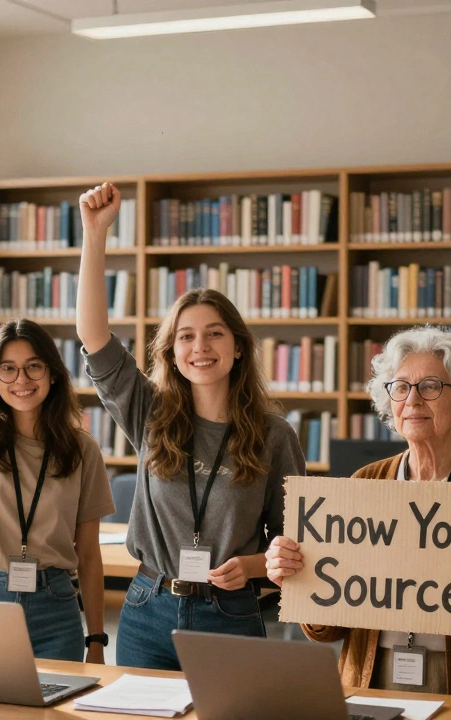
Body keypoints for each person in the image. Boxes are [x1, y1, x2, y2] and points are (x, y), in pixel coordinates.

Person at [76, 182, 305, 671]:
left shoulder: (274, 435)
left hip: (232, 611)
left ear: (238, 347)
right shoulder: (150, 413)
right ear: (174, 354)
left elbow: (295, 548)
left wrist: (251, 566)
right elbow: (94, 339)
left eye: (214, 334)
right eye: (186, 337)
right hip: (146, 606)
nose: (200, 347)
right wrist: (95, 235)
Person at [265, 326, 451, 700]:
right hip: (372, 680)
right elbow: (324, 631)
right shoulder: (363, 484)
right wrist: (300, 580)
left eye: (431, 386)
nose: (413, 400)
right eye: (401, 388)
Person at [0, 210, 113, 663]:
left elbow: (89, 555)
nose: (21, 379)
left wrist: (96, 639)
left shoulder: (81, 449)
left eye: (34, 366)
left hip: (55, 604)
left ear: (52, 375)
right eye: (7, 369)